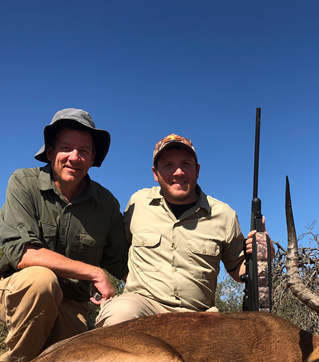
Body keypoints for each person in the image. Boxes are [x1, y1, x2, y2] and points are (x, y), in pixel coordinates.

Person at [0, 108, 128, 362]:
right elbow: (24, 254)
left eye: (84, 151)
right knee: (41, 280)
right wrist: (92, 272)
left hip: (73, 305)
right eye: (66, 148)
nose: (74, 158)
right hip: (21, 291)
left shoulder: (107, 204)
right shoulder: (23, 182)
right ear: (51, 152)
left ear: (92, 159)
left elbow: (123, 263)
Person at [95, 133, 273, 327]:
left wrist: (262, 255)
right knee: (119, 314)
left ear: (197, 170)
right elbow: (118, 249)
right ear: (155, 173)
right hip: (143, 304)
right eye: (168, 165)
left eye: (186, 164)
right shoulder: (138, 203)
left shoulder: (224, 214)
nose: (178, 172)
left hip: (200, 313)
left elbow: (239, 270)